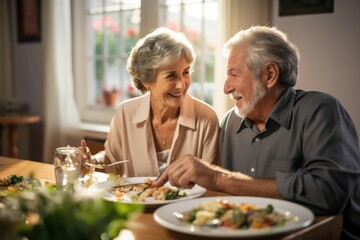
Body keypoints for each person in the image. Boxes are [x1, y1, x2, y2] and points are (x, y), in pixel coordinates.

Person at [153, 26, 360, 240]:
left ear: (269, 75)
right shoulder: (230, 123)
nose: (226, 87)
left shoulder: (320, 111)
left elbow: (329, 192)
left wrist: (218, 177)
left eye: (234, 74)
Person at [80, 27, 219, 177]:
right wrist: (91, 161)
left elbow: (210, 182)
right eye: (171, 76)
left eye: (185, 72)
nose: (182, 84)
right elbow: (112, 160)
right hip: (136, 201)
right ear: (146, 80)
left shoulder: (206, 118)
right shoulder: (126, 113)